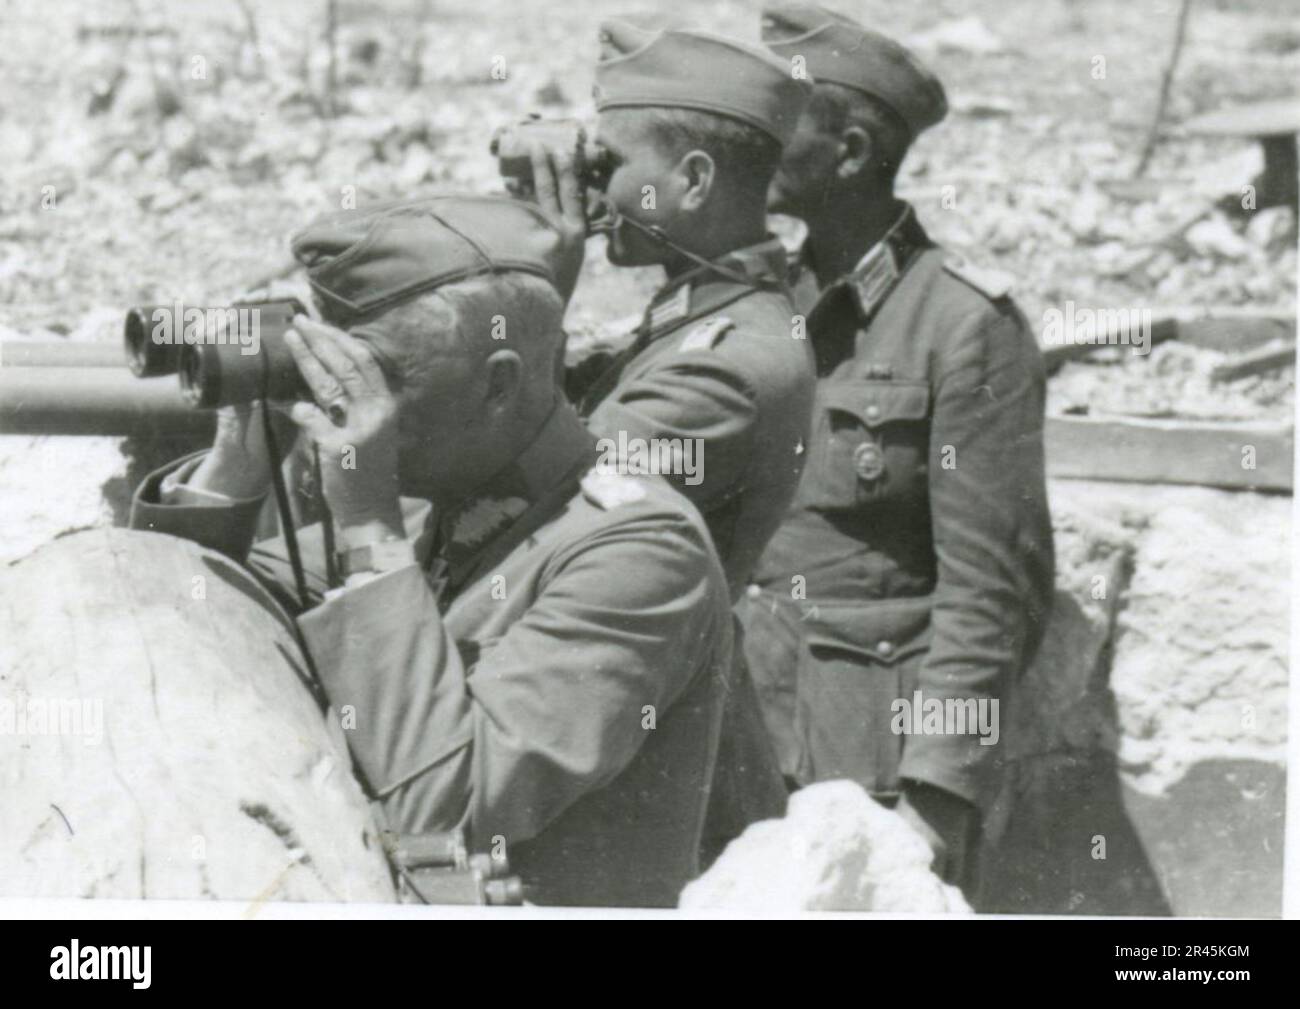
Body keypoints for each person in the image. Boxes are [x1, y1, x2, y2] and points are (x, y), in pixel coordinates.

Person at [130, 195, 734, 908]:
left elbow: (444, 815)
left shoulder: (639, 552)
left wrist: (372, 528)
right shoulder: (429, 498)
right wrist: (238, 459)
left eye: (373, 375)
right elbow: (169, 631)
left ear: (499, 383)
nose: (342, 402)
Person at [739, 4, 1056, 900]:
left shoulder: (964, 325)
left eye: (777, 120)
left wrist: (935, 802)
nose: (750, 137)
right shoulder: (771, 300)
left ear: (847, 154)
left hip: (874, 773)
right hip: (750, 752)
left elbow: (992, 591)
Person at [527, 22, 817, 860]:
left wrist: (540, 290)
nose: (590, 189)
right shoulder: (698, 317)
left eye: (608, 165)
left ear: (691, 181)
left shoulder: (722, 368)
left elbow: (537, 504)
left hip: (648, 788)